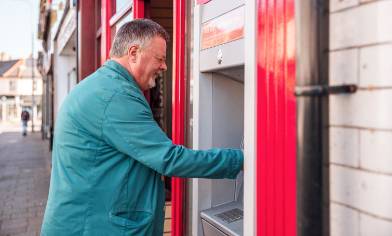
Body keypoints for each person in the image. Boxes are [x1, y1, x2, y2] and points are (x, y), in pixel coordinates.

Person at [41, 19, 243, 236]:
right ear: (134, 52)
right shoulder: (115, 95)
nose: (164, 66)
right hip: (91, 228)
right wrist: (242, 159)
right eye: (160, 58)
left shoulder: (104, 85)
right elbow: (170, 159)